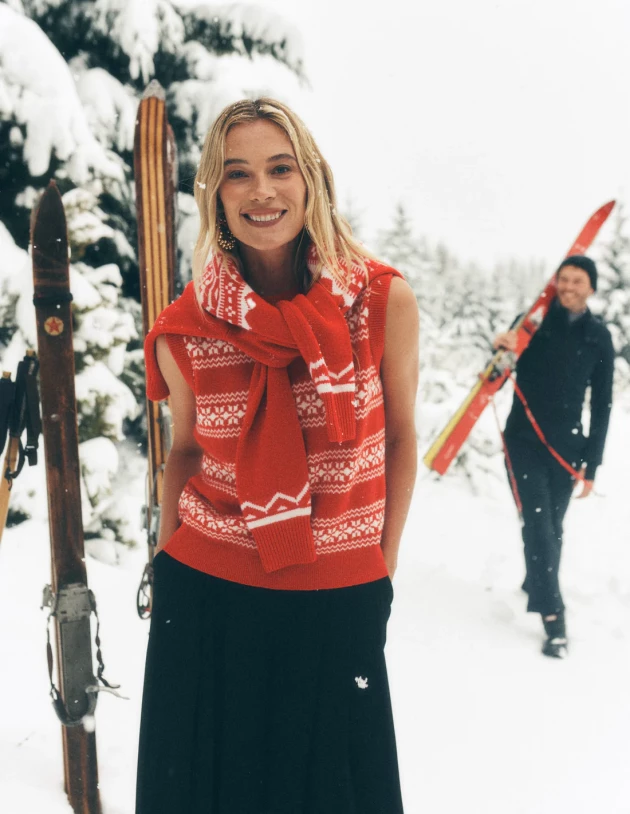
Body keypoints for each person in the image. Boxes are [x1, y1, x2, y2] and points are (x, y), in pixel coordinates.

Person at [136, 98, 419, 814]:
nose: (261, 191)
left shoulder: (380, 301)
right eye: (237, 174)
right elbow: (186, 454)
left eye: (279, 168)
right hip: (207, 595)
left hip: (337, 597)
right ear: (215, 194)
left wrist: (377, 568)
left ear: (311, 179)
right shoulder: (186, 327)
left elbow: (401, 439)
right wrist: (168, 561)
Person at [493, 255, 614, 658]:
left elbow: (602, 405)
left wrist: (591, 465)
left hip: (568, 449)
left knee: (551, 527)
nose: (568, 287)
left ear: (591, 288)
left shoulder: (599, 336)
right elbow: (494, 377)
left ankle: (535, 581)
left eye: (577, 281)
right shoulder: (531, 322)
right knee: (541, 526)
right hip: (523, 441)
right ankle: (553, 618)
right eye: (563, 279)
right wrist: (502, 348)